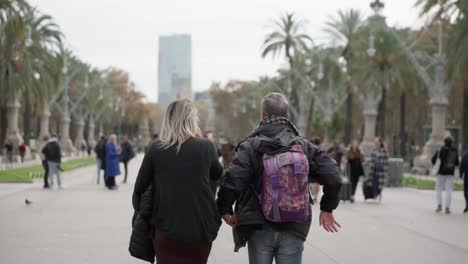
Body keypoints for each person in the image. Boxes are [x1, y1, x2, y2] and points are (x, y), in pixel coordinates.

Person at [217, 93, 342, 264]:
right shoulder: (303, 146)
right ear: (287, 116)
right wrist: (327, 208)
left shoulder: (251, 146)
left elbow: (233, 179)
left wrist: (224, 209)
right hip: (295, 224)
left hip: (258, 224)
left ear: (262, 116)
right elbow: (333, 175)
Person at [131, 99, 223, 264]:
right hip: (199, 232)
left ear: (169, 120)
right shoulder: (207, 148)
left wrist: (149, 221)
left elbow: (139, 191)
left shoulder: (156, 149)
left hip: (165, 232)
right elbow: (217, 176)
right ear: (192, 120)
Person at [432, 136, 460, 214]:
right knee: (449, 190)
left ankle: (439, 205)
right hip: (450, 173)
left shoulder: (440, 150)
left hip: (441, 173)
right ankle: (447, 207)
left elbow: (433, 160)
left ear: (444, 142)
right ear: (452, 142)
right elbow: (457, 163)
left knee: (438, 189)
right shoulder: (454, 150)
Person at [310, 137, 322, 203]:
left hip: (313, 167)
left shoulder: (312, 148)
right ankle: (315, 196)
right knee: (317, 184)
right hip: (319, 168)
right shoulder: (321, 149)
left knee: (312, 183)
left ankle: (314, 195)